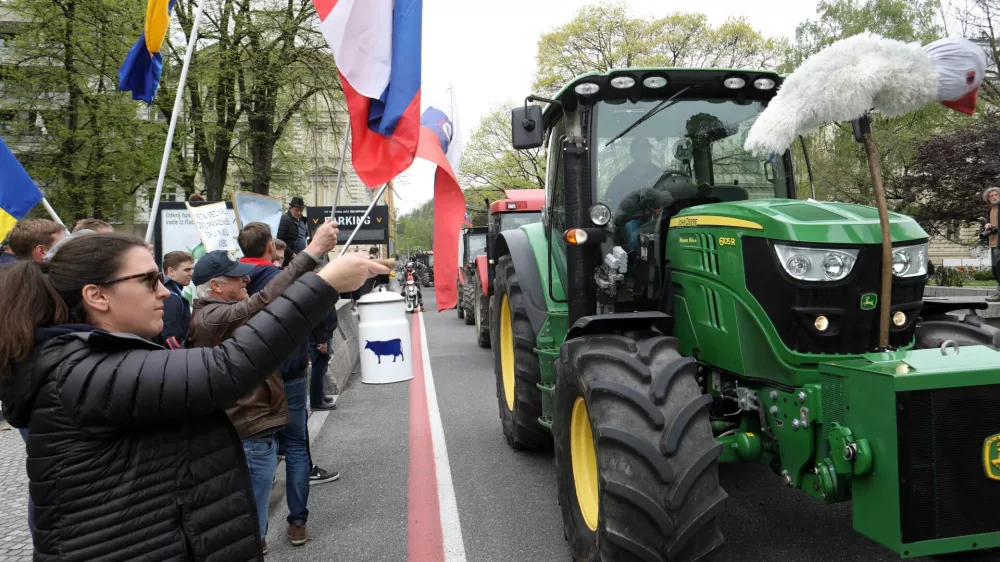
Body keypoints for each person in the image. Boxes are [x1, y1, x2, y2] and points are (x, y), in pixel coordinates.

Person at [0, 231, 387, 561]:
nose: (165, 293)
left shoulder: (87, 360)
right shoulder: (80, 371)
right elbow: (227, 368)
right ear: (96, 296)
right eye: (149, 280)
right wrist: (324, 284)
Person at [188, 220, 341, 551]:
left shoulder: (218, 312)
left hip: (256, 418)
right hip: (251, 424)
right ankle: (282, 530)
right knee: (253, 519)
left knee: (253, 507)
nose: (246, 278)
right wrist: (313, 252)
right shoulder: (215, 317)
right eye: (236, 276)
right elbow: (264, 301)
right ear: (214, 285)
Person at [236, 222, 338, 547]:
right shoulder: (284, 279)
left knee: (255, 453)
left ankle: (258, 535)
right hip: (290, 374)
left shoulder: (232, 280)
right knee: (295, 447)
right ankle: (297, 524)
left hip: (248, 379)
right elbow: (318, 310)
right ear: (270, 247)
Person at [160, 251, 194, 347]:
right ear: (171, 271)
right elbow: (170, 339)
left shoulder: (170, 292)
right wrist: (180, 358)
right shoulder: (170, 297)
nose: (191, 273)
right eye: (187, 270)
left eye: (192, 269)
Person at [277, 196, 309, 266]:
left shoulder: (302, 221)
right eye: (297, 210)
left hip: (300, 257)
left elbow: (304, 238)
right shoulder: (285, 219)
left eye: (301, 210)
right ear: (290, 208)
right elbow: (279, 240)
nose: (299, 213)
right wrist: (291, 254)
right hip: (288, 260)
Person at [982, 187, 1000, 301]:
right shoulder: (990, 210)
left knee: (999, 267)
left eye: (996, 194)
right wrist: (987, 225)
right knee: (995, 268)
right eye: (991, 196)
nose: (994, 197)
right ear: (988, 198)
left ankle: (999, 293)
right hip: (993, 243)